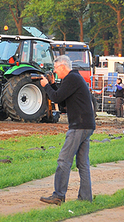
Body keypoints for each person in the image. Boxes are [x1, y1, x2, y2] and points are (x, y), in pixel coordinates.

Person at [39, 55, 95, 205]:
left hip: (79, 126)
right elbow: (63, 101)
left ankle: (58, 195)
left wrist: (46, 86)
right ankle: (85, 197)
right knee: (82, 163)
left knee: (63, 160)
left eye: (56, 69)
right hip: (86, 125)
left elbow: (56, 98)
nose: (55, 72)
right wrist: (52, 84)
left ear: (63, 66)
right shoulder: (74, 78)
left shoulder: (71, 78)